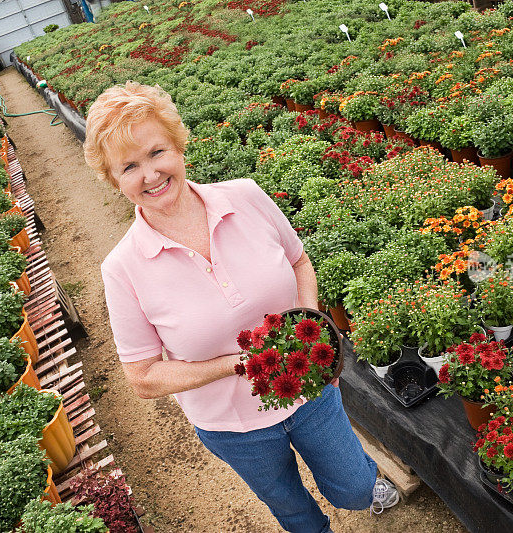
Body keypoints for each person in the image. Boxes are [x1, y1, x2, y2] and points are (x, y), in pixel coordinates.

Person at [85, 81, 399, 532]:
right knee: (292, 509)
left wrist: (311, 320)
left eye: (157, 153)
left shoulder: (245, 196)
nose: (150, 174)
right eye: (129, 166)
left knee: (352, 487)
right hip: (233, 426)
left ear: (178, 146)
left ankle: (366, 483)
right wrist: (237, 365)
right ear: (114, 180)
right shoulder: (122, 269)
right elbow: (144, 377)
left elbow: (299, 261)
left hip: (308, 388)